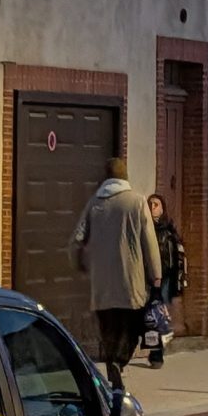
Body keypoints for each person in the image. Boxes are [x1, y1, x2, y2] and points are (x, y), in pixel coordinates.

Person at [72, 157, 162, 390]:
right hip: (130, 280)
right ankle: (118, 361)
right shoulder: (137, 202)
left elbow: (77, 238)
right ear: (125, 176)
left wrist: (80, 262)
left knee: (108, 327)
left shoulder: (95, 203)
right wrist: (156, 272)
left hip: (101, 282)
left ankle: (111, 360)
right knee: (131, 327)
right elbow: (148, 241)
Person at [146, 194, 188, 368]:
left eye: (156, 204)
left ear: (162, 208)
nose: (153, 207)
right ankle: (155, 351)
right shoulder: (145, 228)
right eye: (150, 204)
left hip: (165, 279)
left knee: (157, 316)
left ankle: (157, 354)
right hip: (149, 278)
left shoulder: (169, 229)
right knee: (151, 317)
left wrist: (180, 279)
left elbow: (179, 254)